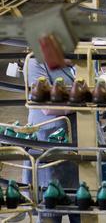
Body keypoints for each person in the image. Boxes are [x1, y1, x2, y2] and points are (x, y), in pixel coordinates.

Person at [24, 57, 79, 223]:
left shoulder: (77, 59)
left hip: (79, 140)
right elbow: (47, 107)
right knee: (51, 209)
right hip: (50, 144)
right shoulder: (34, 62)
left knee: (82, 207)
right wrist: (85, 103)